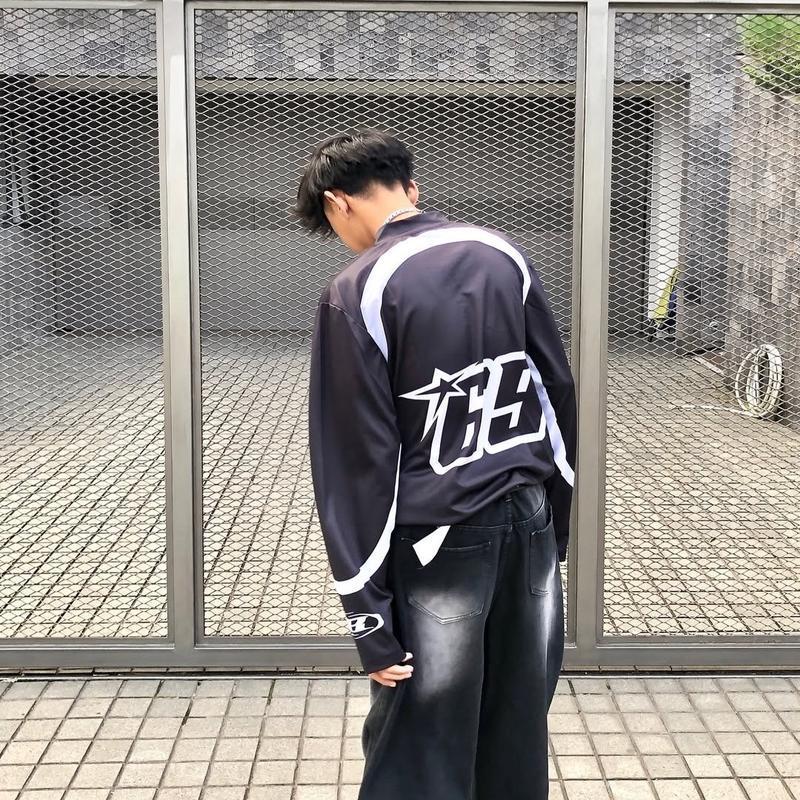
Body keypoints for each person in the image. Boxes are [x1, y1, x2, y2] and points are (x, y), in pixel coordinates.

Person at [293, 128, 576, 800]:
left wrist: (367, 615)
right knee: (515, 723)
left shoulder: (359, 288)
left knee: (420, 737)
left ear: (338, 203)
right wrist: (555, 527)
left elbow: (356, 462)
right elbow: (554, 391)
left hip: (438, 541)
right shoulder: (502, 254)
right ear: (410, 187)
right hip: (529, 519)